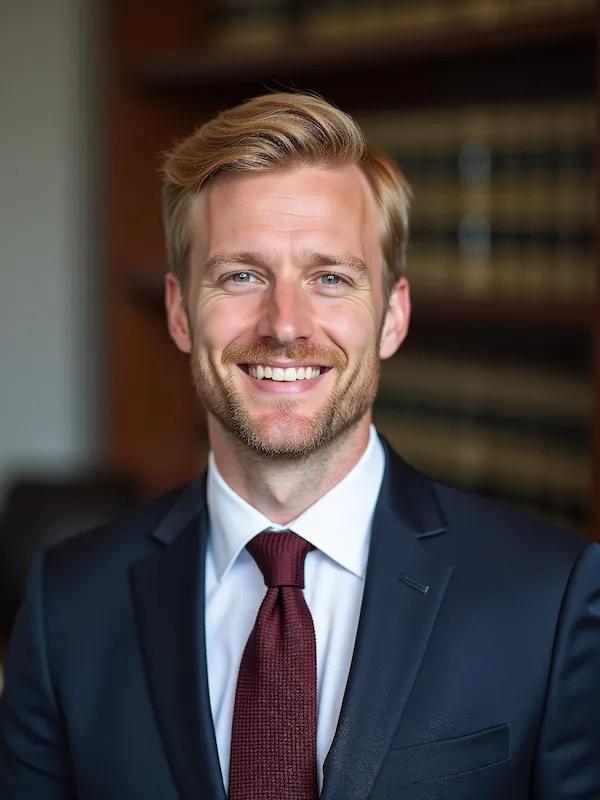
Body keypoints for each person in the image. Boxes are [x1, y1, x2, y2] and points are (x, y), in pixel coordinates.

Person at [0, 92, 598, 800]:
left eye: (331, 278)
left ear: (393, 316)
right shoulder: (65, 604)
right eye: (241, 275)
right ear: (179, 311)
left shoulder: (552, 598)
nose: (286, 325)